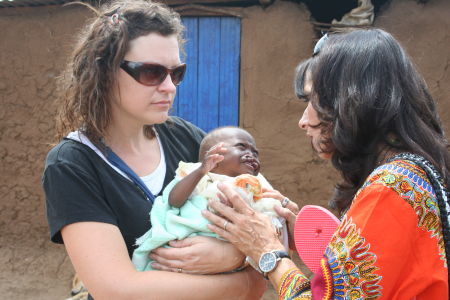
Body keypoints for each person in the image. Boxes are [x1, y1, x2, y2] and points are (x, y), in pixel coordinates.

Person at [202, 28, 450, 299]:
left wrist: (267, 252)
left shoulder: (390, 188)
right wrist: (311, 236)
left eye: (313, 100)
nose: (304, 121)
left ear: (352, 101)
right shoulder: (416, 173)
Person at [41, 1, 266, 299]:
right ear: (104, 71)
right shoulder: (71, 165)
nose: (170, 87)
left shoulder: (187, 138)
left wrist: (231, 256)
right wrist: (245, 284)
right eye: (151, 72)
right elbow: (118, 289)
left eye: (176, 73)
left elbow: (264, 225)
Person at [132, 126, 289, 271]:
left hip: (227, 254)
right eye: (241, 147)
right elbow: (174, 201)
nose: (251, 154)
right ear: (214, 155)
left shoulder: (256, 186)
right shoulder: (199, 176)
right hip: (185, 244)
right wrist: (201, 171)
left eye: (255, 153)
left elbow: (268, 219)